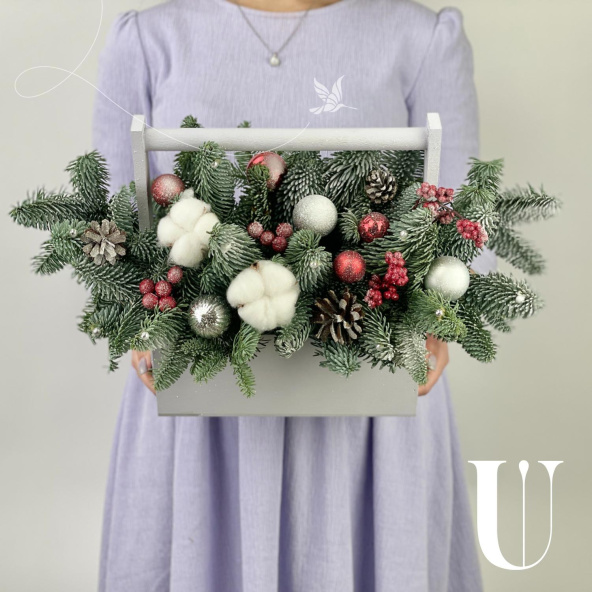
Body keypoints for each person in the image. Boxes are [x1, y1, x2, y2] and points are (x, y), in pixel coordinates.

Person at [93, 1, 495, 590]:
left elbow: (465, 222)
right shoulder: (149, 41)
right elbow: (112, 222)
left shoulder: (421, 38)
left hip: (371, 396)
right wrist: (139, 312)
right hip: (196, 391)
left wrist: (436, 318)